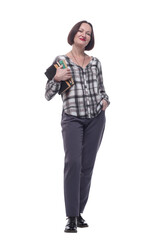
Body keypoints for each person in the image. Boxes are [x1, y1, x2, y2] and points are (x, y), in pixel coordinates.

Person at [45, 20, 110, 233]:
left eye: (88, 33)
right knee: (73, 163)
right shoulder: (62, 61)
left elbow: (102, 89)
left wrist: (105, 101)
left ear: (91, 39)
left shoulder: (95, 62)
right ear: (74, 34)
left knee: (87, 167)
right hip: (72, 119)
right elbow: (47, 95)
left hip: (95, 120)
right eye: (81, 31)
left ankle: (79, 212)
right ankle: (71, 217)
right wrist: (56, 78)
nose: (84, 35)